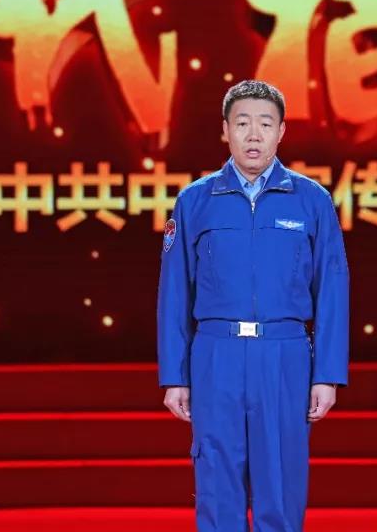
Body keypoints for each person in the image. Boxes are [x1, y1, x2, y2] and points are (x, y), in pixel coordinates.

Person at [157, 80, 350, 532]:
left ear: (281, 131)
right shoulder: (195, 201)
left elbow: (333, 290)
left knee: (280, 481)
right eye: (242, 123)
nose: (254, 134)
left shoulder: (311, 200)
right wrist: (174, 376)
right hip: (216, 354)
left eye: (265, 123)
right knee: (216, 480)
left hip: (284, 354)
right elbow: (174, 294)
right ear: (225, 130)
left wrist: (326, 374)